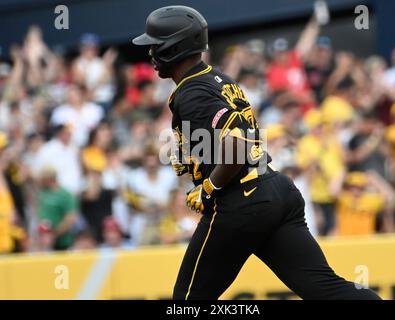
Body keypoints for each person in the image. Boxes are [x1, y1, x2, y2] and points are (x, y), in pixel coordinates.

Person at [132, 5, 381, 300]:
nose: (150, 53)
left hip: (240, 200)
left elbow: (237, 147)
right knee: (325, 288)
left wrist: (209, 187)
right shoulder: (218, 78)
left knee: (187, 302)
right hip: (273, 189)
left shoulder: (192, 91)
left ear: (174, 48)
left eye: (155, 45)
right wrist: (193, 157)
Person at [36, 166, 78, 251]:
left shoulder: (65, 195)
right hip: (44, 241)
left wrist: (54, 234)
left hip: (62, 242)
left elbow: (71, 218)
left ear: (49, 179)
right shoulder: (43, 192)